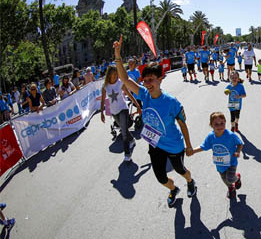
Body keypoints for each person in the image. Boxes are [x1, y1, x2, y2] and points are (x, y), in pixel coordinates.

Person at [113, 35, 197, 208]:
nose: (147, 83)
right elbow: (125, 79)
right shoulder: (143, 94)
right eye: (145, 80)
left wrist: (188, 146)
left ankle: (190, 181)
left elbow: (183, 124)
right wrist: (117, 55)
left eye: (151, 79)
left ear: (160, 79)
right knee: (160, 178)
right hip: (155, 144)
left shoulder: (172, 102)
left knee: (181, 170)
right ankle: (173, 189)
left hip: (174, 145)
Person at [188, 112, 244, 199]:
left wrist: (238, 151)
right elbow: (204, 146)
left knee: (230, 178)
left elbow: (240, 143)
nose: (219, 126)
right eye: (216, 124)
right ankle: (230, 187)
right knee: (225, 179)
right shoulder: (211, 137)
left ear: (225, 122)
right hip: (220, 164)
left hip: (231, 162)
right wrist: (193, 151)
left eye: (222, 123)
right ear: (211, 125)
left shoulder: (230, 135)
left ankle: (237, 178)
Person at [100, 66, 140, 162]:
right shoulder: (105, 86)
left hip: (123, 109)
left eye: (115, 74)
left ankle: (127, 153)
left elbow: (129, 94)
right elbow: (102, 101)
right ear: (108, 75)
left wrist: (137, 105)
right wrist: (101, 113)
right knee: (124, 129)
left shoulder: (120, 83)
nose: (114, 76)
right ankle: (132, 139)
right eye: (112, 74)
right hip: (114, 112)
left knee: (123, 132)